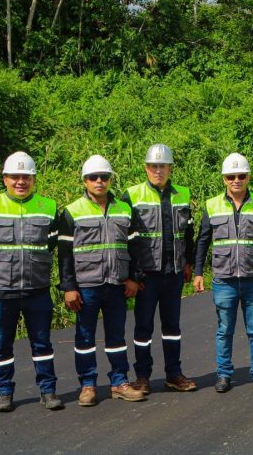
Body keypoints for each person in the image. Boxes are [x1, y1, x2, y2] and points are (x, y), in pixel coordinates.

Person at [0, 151, 62, 413]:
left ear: (34, 179)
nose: (21, 181)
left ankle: (48, 390)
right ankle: (4, 392)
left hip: (37, 288)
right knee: (2, 343)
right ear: (5, 179)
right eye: (15, 177)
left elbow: (52, 243)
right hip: (1, 290)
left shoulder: (49, 207)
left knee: (42, 344)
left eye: (26, 177)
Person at [58, 155, 146, 406]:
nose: (99, 181)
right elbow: (64, 255)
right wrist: (69, 287)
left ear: (110, 180)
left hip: (117, 284)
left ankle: (119, 382)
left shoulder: (124, 209)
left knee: (116, 336)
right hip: (86, 286)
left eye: (104, 177)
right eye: (93, 177)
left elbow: (136, 248)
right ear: (84, 181)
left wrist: (133, 278)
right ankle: (87, 385)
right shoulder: (73, 211)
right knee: (85, 339)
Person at [193, 152, 253, 394]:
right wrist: (198, 272)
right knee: (224, 331)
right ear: (224, 179)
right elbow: (203, 240)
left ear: (248, 177)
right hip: (224, 280)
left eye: (241, 175)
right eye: (231, 176)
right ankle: (224, 374)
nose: (236, 180)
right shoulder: (212, 205)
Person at [121, 144, 197, 394]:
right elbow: (124, 239)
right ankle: (142, 376)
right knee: (143, 328)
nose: (158, 170)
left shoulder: (182, 194)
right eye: (153, 166)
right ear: (145, 168)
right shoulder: (132, 196)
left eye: (162, 166)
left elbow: (189, 233)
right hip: (146, 276)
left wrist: (188, 263)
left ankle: (174, 374)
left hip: (173, 273)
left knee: (172, 328)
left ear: (170, 168)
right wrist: (131, 275)